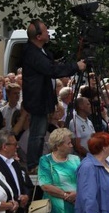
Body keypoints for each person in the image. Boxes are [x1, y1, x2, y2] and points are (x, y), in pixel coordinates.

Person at [21, 19, 86, 171]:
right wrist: (75, 67)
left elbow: (53, 66)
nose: (48, 32)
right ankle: (33, 165)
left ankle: (36, 163)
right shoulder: (32, 53)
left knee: (40, 133)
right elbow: (51, 70)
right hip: (38, 100)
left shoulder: (41, 51)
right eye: (45, 30)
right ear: (38, 36)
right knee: (37, 134)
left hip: (43, 98)